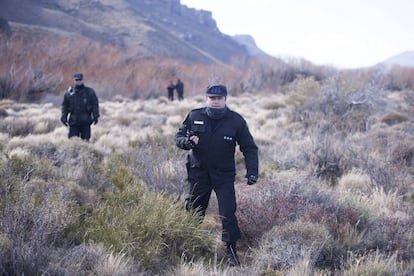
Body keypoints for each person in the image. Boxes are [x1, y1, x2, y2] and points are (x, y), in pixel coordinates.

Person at [175, 84, 259, 266]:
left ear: (225, 99)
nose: (215, 101)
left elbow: (250, 148)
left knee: (228, 212)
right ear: (207, 99)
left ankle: (230, 249)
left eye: (219, 98)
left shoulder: (236, 121)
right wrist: (187, 142)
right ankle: (189, 245)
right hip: (199, 173)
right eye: (212, 98)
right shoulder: (194, 115)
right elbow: (179, 137)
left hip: (223, 175)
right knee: (194, 210)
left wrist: (252, 172)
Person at [61, 73, 100, 141]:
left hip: (86, 121)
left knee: (85, 141)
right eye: (77, 80)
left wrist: (95, 115)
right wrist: (64, 117)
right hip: (74, 122)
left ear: (83, 80)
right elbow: (65, 106)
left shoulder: (89, 92)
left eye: (80, 80)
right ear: (74, 80)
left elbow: (95, 104)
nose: (78, 81)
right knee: (73, 141)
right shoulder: (69, 93)